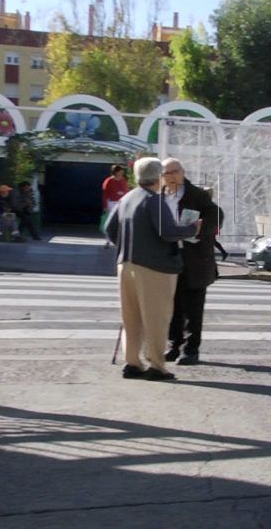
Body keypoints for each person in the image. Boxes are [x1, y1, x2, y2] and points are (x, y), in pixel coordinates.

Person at [105, 157, 202, 381]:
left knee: (131, 317)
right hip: (153, 267)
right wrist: (192, 228)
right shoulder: (154, 200)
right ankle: (157, 365)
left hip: (126, 263)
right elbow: (168, 232)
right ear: (158, 176)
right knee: (156, 317)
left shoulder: (128, 197)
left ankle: (132, 362)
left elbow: (110, 229)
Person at [161, 158, 223, 366]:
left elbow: (216, 215)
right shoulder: (161, 196)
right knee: (173, 306)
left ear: (183, 172)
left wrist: (199, 231)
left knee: (193, 308)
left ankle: (191, 349)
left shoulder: (197, 195)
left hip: (195, 258)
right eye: (166, 173)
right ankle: (174, 345)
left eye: (175, 171)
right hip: (169, 258)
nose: (171, 176)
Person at [102, 164, 128, 248]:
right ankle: (107, 240)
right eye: (120, 170)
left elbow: (125, 191)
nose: (122, 172)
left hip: (121, 202)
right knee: (111, 221)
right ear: (116, 172)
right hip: (112, 202)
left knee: (121, 221)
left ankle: (120, 240)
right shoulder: (109, 181)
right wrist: (105, 205)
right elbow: (105, 194)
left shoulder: (123, 180)